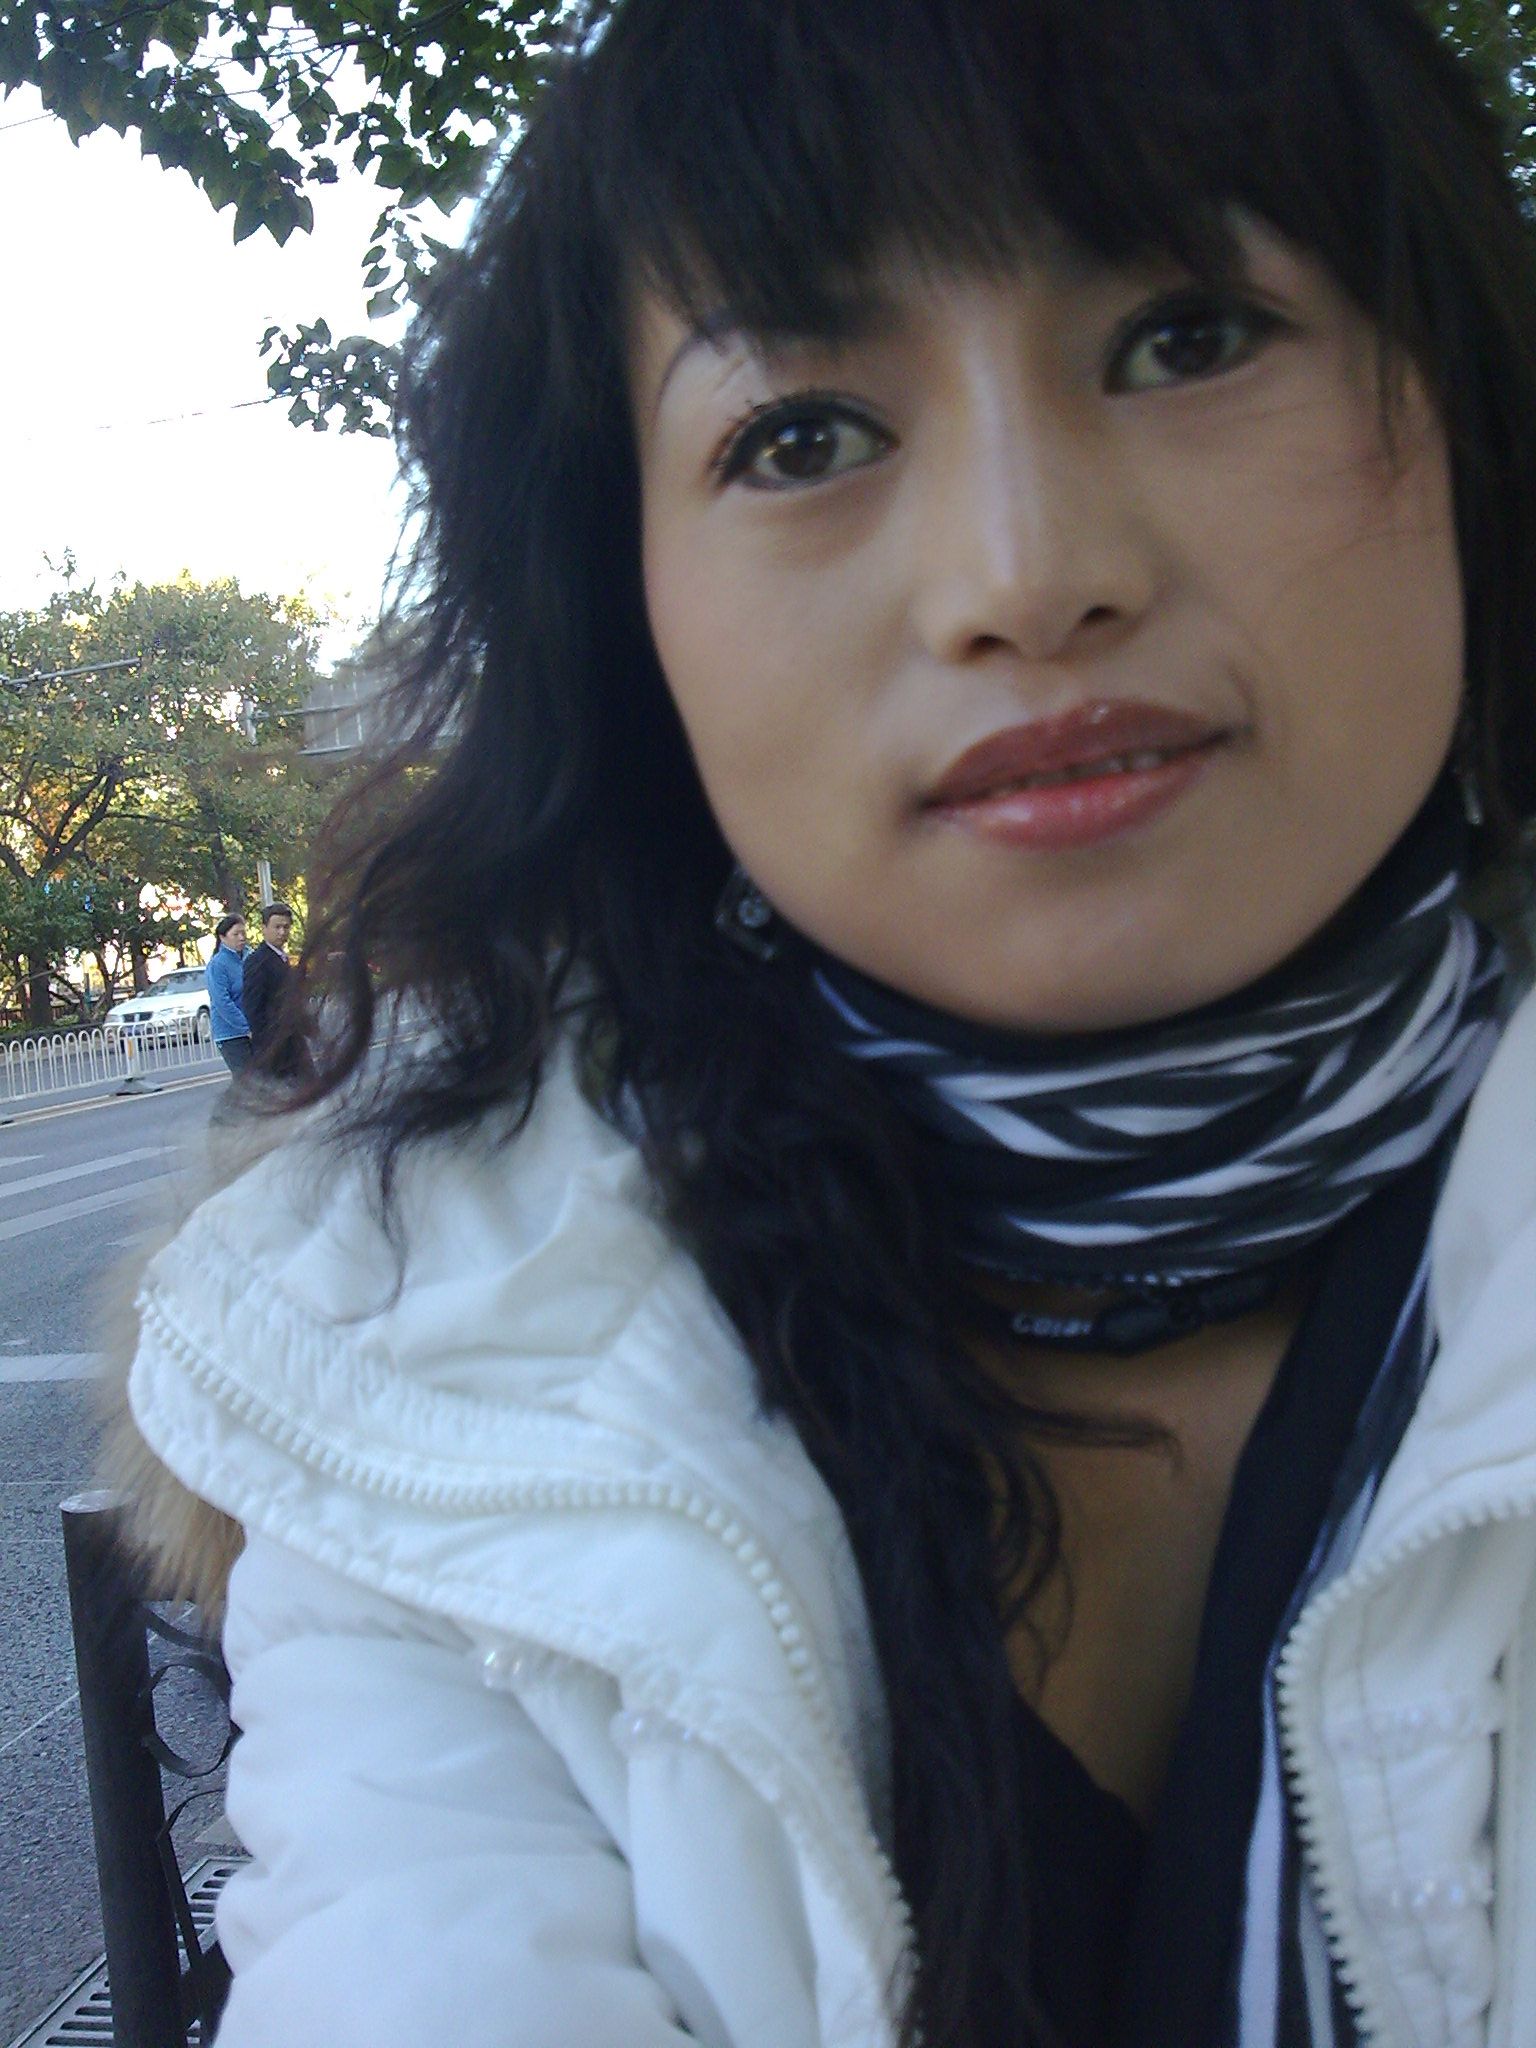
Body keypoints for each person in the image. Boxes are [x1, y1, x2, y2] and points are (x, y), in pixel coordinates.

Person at [114, 2, 1536, 2044]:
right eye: (801, 437)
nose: (1026, 575)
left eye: (1191, 334)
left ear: (1467, 425)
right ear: (630, 611)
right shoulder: (433, 1369)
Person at [237, 901, 293, 1066]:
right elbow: (253, 1006)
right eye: (277, 927)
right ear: (264, 928)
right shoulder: (257, 961)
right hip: (273, 1045)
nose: (282, 932)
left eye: (286, 927)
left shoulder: (282, 958)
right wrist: (268, 1041)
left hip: (291, 1040)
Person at [204, 914, 251, 1075]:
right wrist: (245, 1027)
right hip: (231, 1034)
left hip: (255, 1027)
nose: (241, 938)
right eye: (236, 934)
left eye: (243, 933)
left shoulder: (250, 956)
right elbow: (222, 1002)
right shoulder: (217, 964)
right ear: (222, 937)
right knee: (247, 1079)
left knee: (264, 1078)